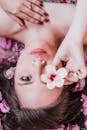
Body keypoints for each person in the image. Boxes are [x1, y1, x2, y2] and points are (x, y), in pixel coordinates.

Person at [0, 1, 87, 130]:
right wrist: (77, 34)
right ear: (65, 78)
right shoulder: (79, 34)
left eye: (26, 78)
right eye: (47, 79)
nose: (38, 64)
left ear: (12, 74)